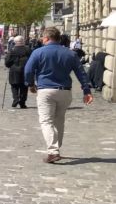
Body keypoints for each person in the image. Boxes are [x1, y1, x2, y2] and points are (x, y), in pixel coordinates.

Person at [24, 26, 93, 163]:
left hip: (46, 90)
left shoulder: (38, 52)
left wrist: (30, 84)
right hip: (65, 91)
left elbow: (28, 70)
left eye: (43, 38)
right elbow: (81, 73)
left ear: (47, 38)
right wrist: (86, 90)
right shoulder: (70, 53)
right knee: (59, 119)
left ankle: (53, 150)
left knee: (46, 120)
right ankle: (56, 147)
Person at [4, 36, 31, 109]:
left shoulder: (12, 50)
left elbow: (7, 63)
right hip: (25, 70)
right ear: (23, 41)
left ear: (15, 42)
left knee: (14, 86)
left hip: (14, 71)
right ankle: (22, 103)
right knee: (24, 87)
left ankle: (16, 99)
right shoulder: (28, 50)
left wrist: (10, 65)